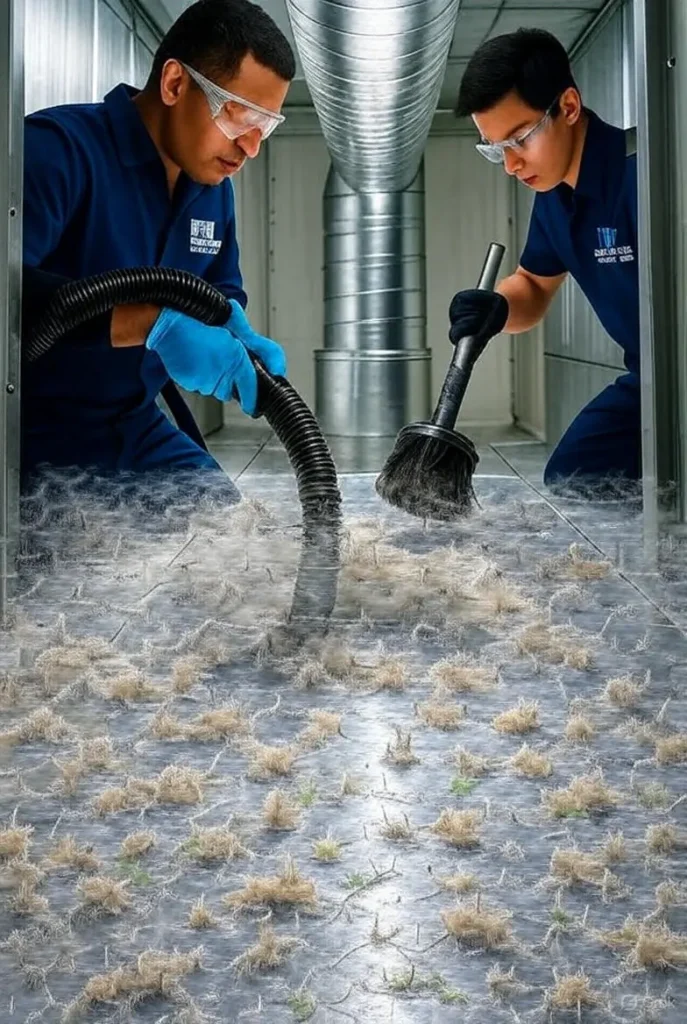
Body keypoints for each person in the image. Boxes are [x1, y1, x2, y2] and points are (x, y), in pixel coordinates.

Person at [21, 0, 295, 486]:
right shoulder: (55, 151)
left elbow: (217, 292)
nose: (251, 148)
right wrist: (153, 325)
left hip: (132, 427)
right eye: (239, 117)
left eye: (266, 127)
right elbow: (8, 299)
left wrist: (234, 332)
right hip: (28, 432)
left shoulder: (211, 188)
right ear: (174, 84)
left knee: (227, 526)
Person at [448, 28, 639, 490]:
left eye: (519, 139)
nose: (511, 165)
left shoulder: (647, 173)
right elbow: (533, 285)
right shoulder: (554, 197)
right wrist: (497, 308)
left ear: (568, 107)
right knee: (574, 477)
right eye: (496, 149)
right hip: (652, 381)